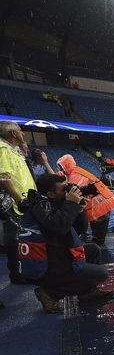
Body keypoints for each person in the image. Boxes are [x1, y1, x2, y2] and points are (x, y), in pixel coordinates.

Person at [18, 174, 113, 313]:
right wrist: (71, 204)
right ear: (50, 194)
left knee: (93, 249)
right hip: (44, 265)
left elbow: (80, 229)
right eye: (64, 189)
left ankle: (87, 292)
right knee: (101, 274)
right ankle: (50, 293)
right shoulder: (41, 207)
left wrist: (78, 207)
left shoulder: (53, 203)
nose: (68, 191)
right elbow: (60, 227)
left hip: (53, 254)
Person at [56, 154, 114, 248]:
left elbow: (76, 191)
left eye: (60, 167)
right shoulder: (76, 172)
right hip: (101, 200)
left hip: (99, 203)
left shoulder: (74, 174)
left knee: (98, 236)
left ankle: (97, 253)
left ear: (65, 165)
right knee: (98, 233)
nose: (59, 170)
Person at [0, 120, 37, 285]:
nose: (23, 133)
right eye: (20, 130)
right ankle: (16, 273)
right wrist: (18, 199)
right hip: (14, 203)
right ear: (13, 133)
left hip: (23, 200)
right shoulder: (2, 149)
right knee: (14, 238)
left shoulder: (13, 150)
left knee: (21, 237)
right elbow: (3, 177)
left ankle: (23, 271)